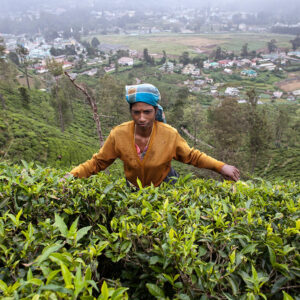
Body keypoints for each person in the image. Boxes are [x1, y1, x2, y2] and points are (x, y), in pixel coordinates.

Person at [69, 83, 240, 187]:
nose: (141, 118)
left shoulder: (169, 134)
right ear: (131, 112)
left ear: (155, 111)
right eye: (136, 112)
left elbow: (192, 156)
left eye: (147, 112)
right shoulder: (118, 134)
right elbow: (98, 162)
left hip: (165, 185)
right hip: (134, 189)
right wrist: (71, 176)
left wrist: (221, 167)